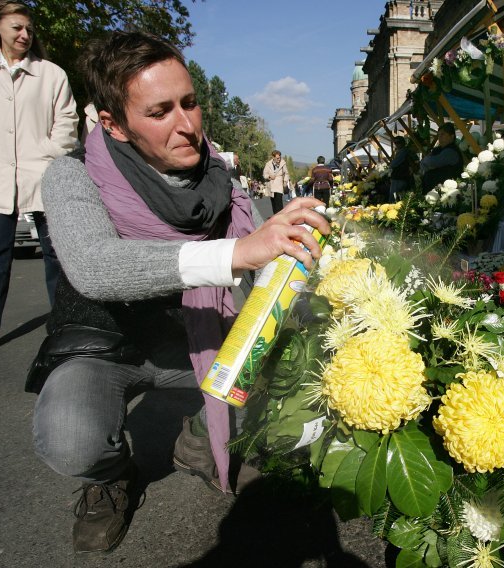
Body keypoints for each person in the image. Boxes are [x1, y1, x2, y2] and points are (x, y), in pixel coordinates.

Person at [32, 31, 330, 554]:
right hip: (106, 348)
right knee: (70, 437)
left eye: (190, 103)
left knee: (299, 367)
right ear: (114, 124)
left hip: (195, 344)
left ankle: (197, 435)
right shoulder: (71, 175)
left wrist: (301, 263)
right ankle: (111, 477)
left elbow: (262, 269)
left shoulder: (223, 180)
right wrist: (235, 254)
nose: (187, 125)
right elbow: (94, 267)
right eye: (160, 111)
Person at [0, 0, 78, 346]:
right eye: (16, 27)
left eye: (28, 28)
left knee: (57, 257)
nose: (24, 34)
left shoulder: (52, 74)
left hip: (44, 176)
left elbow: (67, 123)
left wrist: (48, 154)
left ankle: (64, 326)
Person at [419, 122, 463, 192]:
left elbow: (431, 162)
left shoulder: (450, 151)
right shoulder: (438, 149)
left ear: (452, 136)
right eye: (438, 135)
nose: (439, 137)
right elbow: (423, 164)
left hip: (445, 193)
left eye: (443, 134)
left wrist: (427, 162)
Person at [389, 135, 416, 201]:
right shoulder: (404, 151)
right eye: (395, 143)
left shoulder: (403, 151)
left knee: (394, 198)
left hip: (399, 177)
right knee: (401, 198)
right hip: (403, 177)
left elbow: (393, 164)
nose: (396, 144)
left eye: (398, 142)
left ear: (403, 142)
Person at [262, 150, 289, 215]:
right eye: (277, 158)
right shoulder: (268, 164)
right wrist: (269, 177)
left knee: (279, 202)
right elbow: (264, 174)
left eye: (279, 157)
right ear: (273, 157)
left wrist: (285, 181)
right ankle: (276, 217)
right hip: (271, 185)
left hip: (279, 185)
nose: (279, 159)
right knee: (274, 203)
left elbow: (286, 173)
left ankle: (281, 217)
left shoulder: (283, 163)